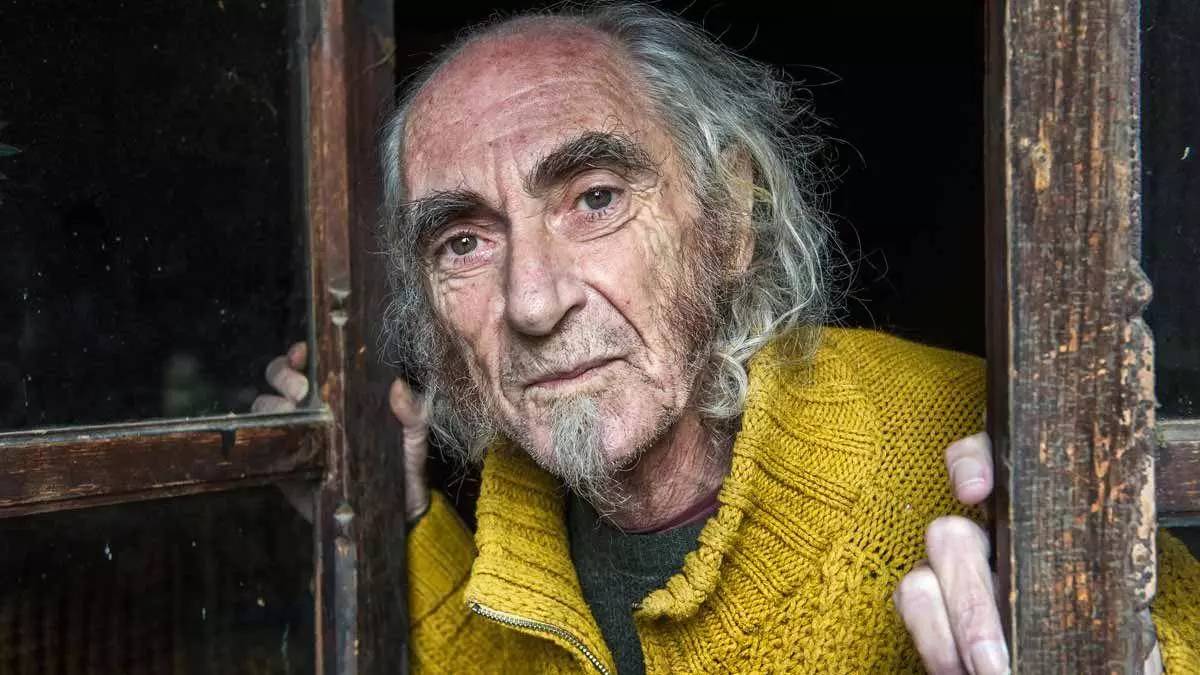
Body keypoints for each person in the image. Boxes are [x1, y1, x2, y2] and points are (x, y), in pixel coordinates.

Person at [255, 3, 1200, 672]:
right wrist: (400, 512)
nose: (533, 302)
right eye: (464, 241)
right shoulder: (518, 514)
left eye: (595, 198)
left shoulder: (977, 442)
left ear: (731, 217)